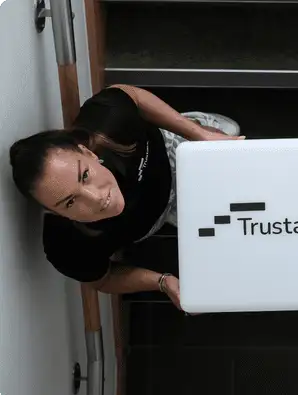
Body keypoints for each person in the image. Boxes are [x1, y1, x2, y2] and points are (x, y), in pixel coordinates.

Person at [9, 84, 244, 310]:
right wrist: (162, 282)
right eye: (70, 202)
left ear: (87, 152)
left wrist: (200, 135)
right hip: (159, 215)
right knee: (236, 226)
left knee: (231, 136)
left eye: (85, 176)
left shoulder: (108, 123)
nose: (96, 198)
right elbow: (102, 279)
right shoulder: (65, 245)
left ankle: (195, 122)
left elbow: (132, 96)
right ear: (55, 213)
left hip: (169, 152)